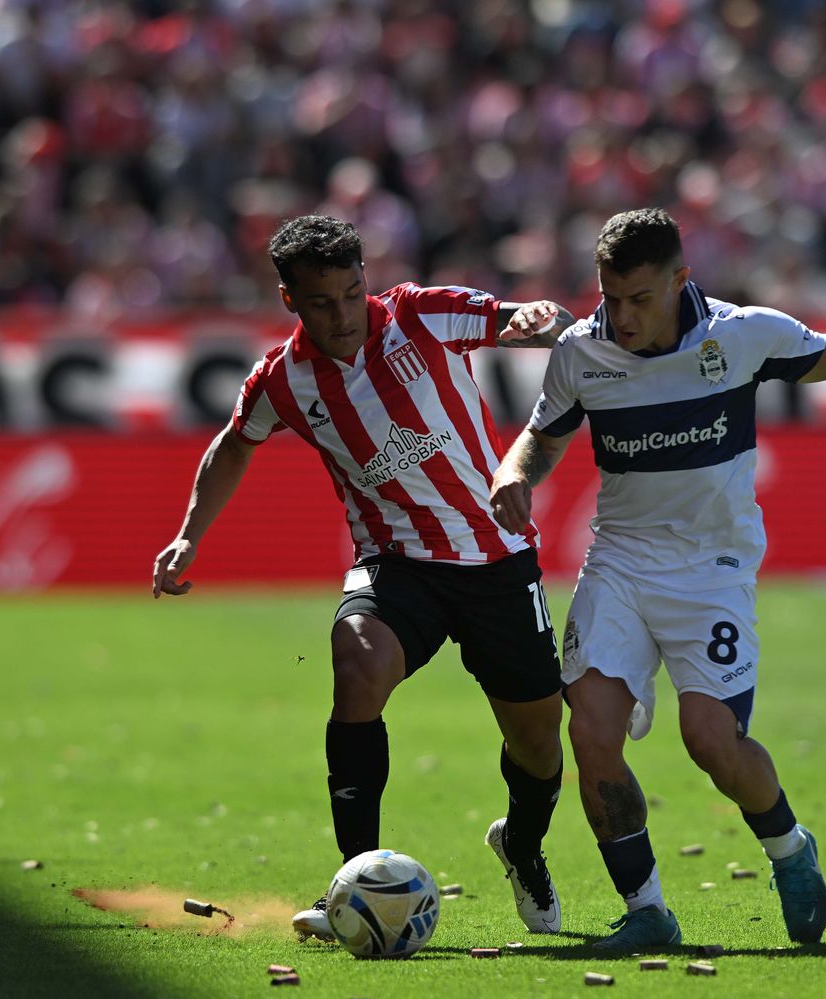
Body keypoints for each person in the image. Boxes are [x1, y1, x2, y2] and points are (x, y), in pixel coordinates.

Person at [489, 208, 826, 954]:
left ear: (681, 278)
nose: (620, 316)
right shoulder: (583, 353)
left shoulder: (742, 334)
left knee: (711, 739)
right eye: (609, 296)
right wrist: (513, 472)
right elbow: (542, 436)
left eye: (639, 298)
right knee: (590, 731)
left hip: (712, 569)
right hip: (619, 560)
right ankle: (647, 908)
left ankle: (788, 846)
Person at [152, 215, 577, 941]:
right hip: (397, 561)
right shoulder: (283, 379)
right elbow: (233, 444)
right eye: (323, 302)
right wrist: (190, 533)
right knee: (356, 660)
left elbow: (522, 320)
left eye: (353, 293)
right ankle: (354, 881)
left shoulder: (419, 312)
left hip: (496, 558)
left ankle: (523, 845)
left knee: (538, 742)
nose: (343, 314)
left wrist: (539, 317)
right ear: (290, 299)